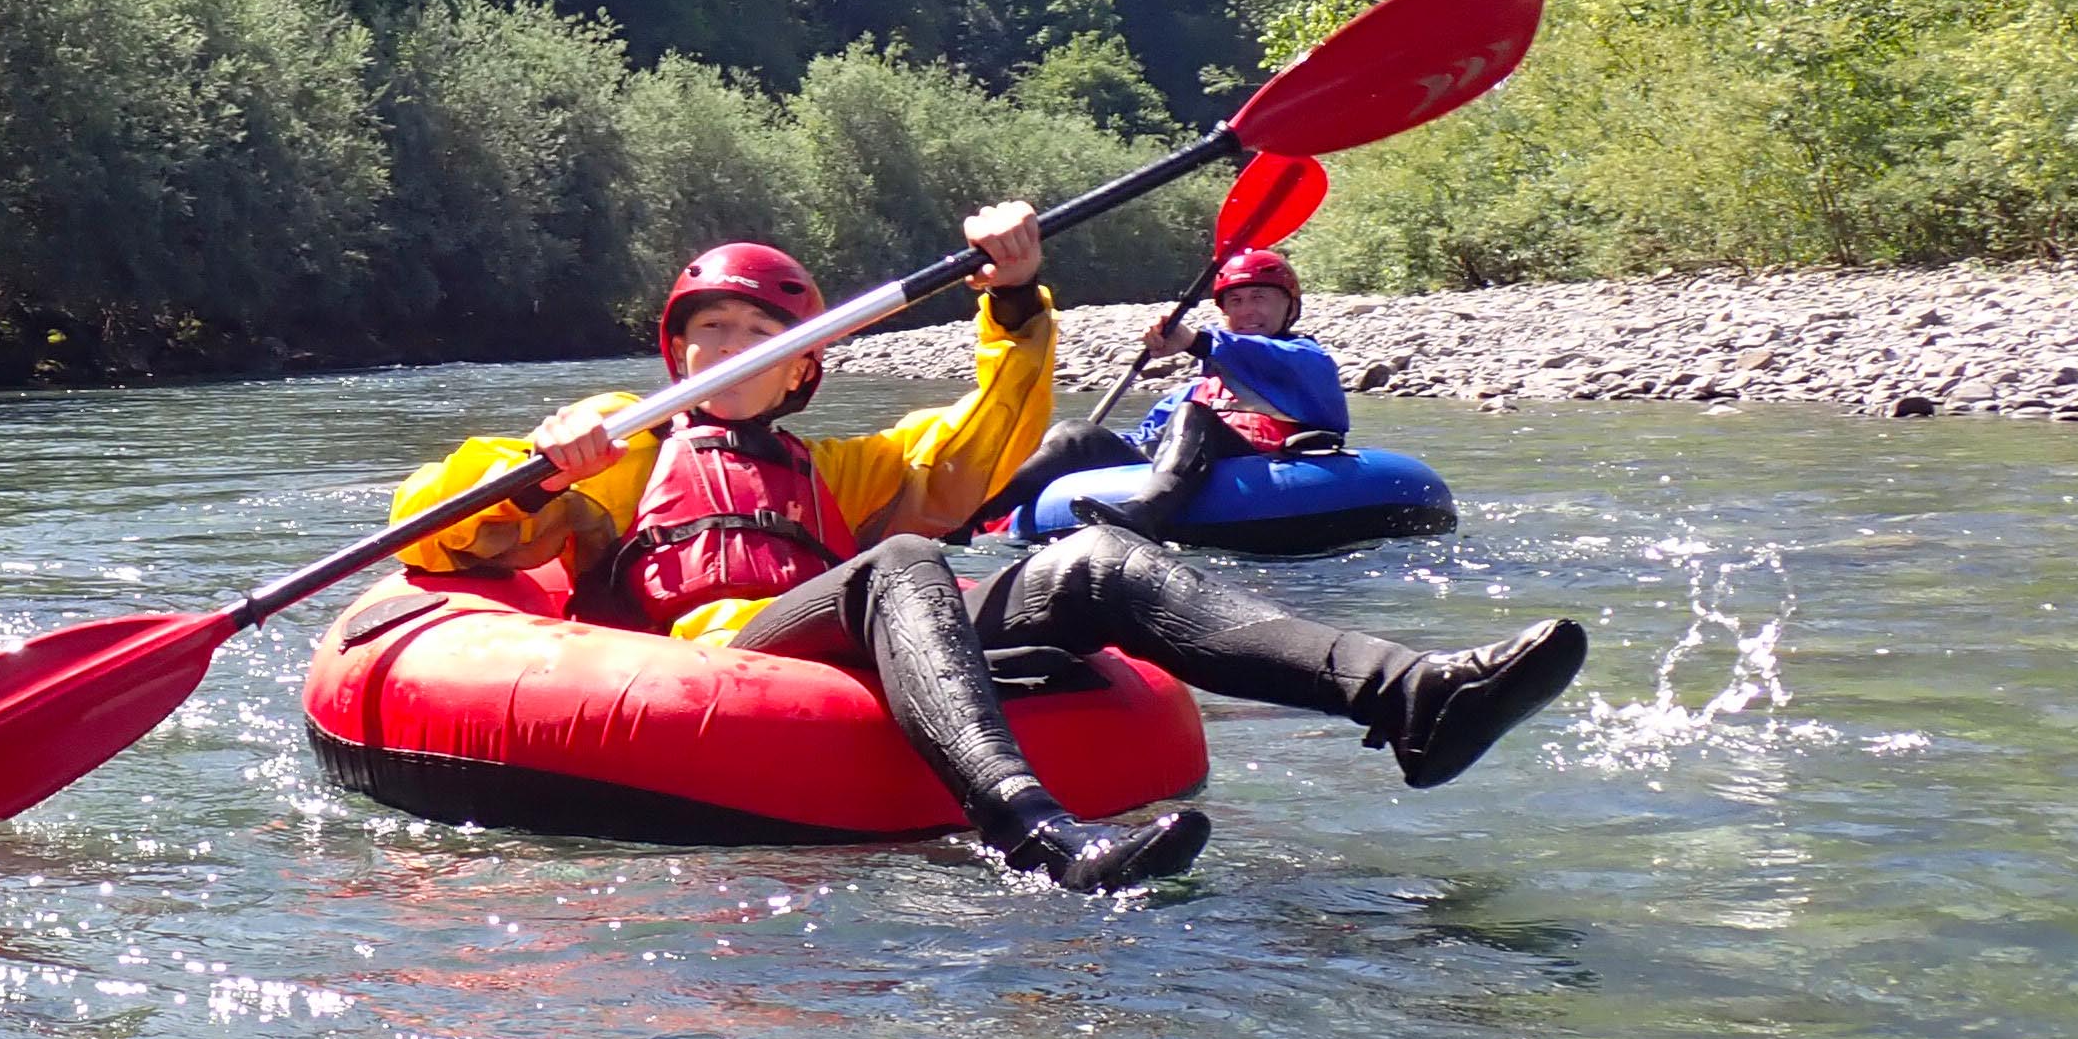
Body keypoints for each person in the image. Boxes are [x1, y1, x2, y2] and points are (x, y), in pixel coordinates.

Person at [388, 210, 1588, 893]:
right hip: (712, 657)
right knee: (904, 565)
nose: (732, 347)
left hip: (841, 656)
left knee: (1099, 562)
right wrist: (539, 460)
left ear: (803, 366)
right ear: (677, 353)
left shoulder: (840, 469)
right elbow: (446, 534)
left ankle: (1411, 696)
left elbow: (979, 443)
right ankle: (1036, 835)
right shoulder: (622, 446)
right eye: (711, 331)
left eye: (760, 331)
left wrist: (1012, 297)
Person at [994, 247, 1347, 543]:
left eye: (1260, 297)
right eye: (1236, 301)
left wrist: (1195, 341)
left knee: (1194, 413)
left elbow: (1267, 358)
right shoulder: (1199, 387)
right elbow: (1147, 441)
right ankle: (983, 508)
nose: (1247, 311)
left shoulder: (1309, 361)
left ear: (1290, 306)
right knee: (1077, 435)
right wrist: (1092, 450)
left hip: (1265, 470)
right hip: (1183, 466)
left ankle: (1147, 511)